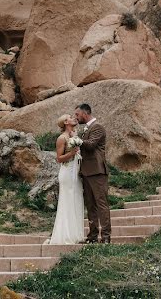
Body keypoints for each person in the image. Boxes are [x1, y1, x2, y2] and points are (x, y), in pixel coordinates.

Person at [74, 103, 111, 244]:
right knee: (90, 206)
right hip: (86, 172)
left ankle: (106, 237)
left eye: (77, 114)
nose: (76, 118)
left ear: (85, 113)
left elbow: (90, 145)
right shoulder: (85, 129)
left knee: (101, 204)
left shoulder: (98, 127)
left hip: (97, 171)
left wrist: (75, 140)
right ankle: (93, 236)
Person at [46, 114, 85, 245]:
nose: (74, 118)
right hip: (67, 173)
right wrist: (71, 153)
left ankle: (76, 235)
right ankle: (65, 235)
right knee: (67, 201)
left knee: (76, 200)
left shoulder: (74, 134)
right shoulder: (61, 138)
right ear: (66, 122)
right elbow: (59, 159)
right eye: (70, 117)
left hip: (76, 172)